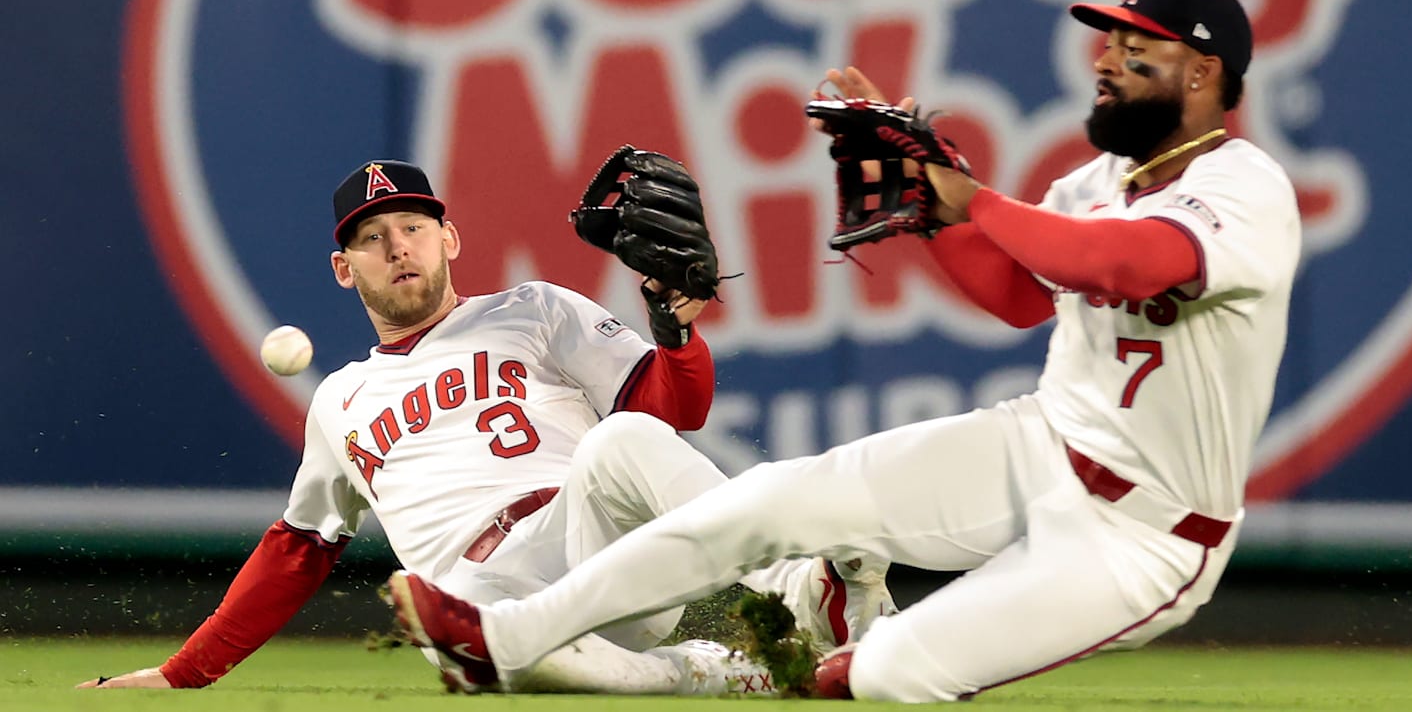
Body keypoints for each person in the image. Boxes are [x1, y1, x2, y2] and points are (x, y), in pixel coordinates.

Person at [381, 0, 1301, 702]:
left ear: (1201, 70)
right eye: (1108, 34)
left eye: (1136, 43)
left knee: (884, 678)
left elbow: (1124, 266)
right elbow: (1021, 296)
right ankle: (501, 639)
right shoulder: (1097, 179)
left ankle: (854, 655)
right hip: (1042, 444)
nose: (1106, 54)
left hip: (1144, 535)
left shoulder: (1244, 189)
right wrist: (936, 219)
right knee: (767, 502)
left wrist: (970, 197)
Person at [78, 158, 893, 694]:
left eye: (413, 227)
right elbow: (298, 549)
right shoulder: (341, 399)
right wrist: (186, 673)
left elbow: (673, 414)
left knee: (621, 440)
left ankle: (800, 592)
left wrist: (676, 333)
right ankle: (742, 676)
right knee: (455, 634)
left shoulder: (530, 309)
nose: (397, 247)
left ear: (449, 237)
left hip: (590, 537)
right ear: (344, 267)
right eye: (371, 238)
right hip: (480, 590)